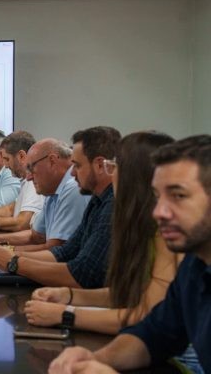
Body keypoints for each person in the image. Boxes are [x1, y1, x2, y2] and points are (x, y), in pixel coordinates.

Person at [49, 135, 211, 374]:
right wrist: (95, 359)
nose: (159, 212)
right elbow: (153, 334)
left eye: (178, 195)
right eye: (157, 197)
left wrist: (67, 314)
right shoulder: (194, 264)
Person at [24, 132, 179, 334]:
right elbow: (127, 295)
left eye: (115, 167)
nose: (111, 174)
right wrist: (69, 295)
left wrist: (66, 314)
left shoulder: (167, 234)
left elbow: (148, 317)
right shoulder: (132, 218)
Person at [0, 126, 120, 289]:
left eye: (77, 165)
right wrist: (4, 253)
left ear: (100, 165)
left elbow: (84, 273)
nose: (72, 173)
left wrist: (12, 261)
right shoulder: (96, 200)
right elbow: (64, 252)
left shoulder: (107, 202)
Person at [0, 138, 89, 254]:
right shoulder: (51, 190)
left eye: (31, 168)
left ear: (52, 161)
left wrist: (2, 250)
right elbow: (35, 236)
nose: (28, 177)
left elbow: (56, 251)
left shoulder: (72, 188)